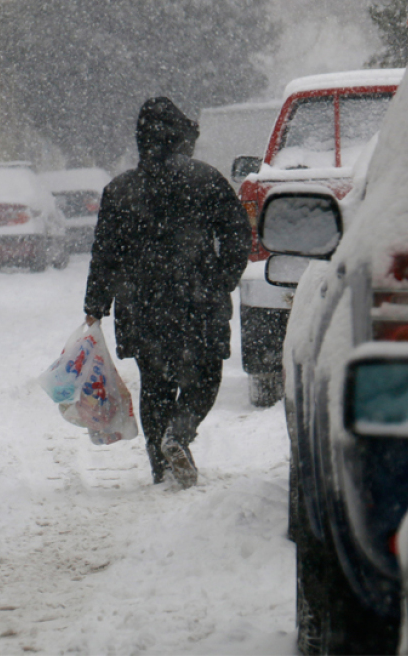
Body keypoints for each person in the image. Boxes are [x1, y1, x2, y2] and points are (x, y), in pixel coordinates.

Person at [83, 97, 250, 488]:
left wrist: (96, 304)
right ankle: (180, 430)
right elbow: (238, 233)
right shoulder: (205, 180)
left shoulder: (120, 190)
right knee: (206, 374)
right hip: (198, 298)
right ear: (181, 139)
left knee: (155, 382)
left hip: (141, 304)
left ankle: (161, 466)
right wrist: (223, 277)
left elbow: (104, 253)